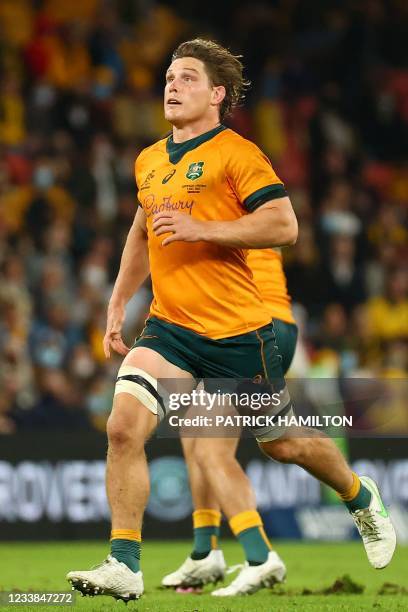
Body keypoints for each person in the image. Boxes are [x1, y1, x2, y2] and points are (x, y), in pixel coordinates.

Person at [67, 39, 396, 603]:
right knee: (123, 426)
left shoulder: (237, 154)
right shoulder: (148, 159)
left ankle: (359, 496)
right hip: (171, 328)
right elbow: (143, 232)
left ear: (217, 94)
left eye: (188, 77)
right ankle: (124, 561)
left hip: (241, 336)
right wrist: (118, 301)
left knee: (283, 444)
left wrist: (205, 230)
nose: (173, 86)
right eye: (170, 76)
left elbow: (284, 225)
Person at [162, 247, 299, 595]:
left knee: (214, 448)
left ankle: (259, 556)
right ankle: (205, 550)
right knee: (194, 429)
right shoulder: (241, 199)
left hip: (251, 326)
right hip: (239, 323)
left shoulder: (226, 197)